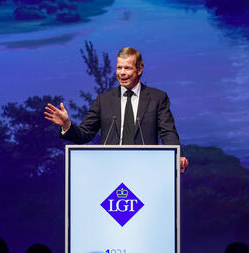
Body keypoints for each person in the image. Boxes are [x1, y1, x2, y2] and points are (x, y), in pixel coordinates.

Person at [44, 47, 189, 172]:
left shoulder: (157, 98)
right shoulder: (104, 100)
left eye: (127, 68)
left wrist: (177, 156)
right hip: (109, 169)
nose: (122, 73)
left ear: (139, 70)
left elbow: (167, 131)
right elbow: (84, 134)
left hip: (146, 168)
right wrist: (66, 125)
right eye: (119, 67)